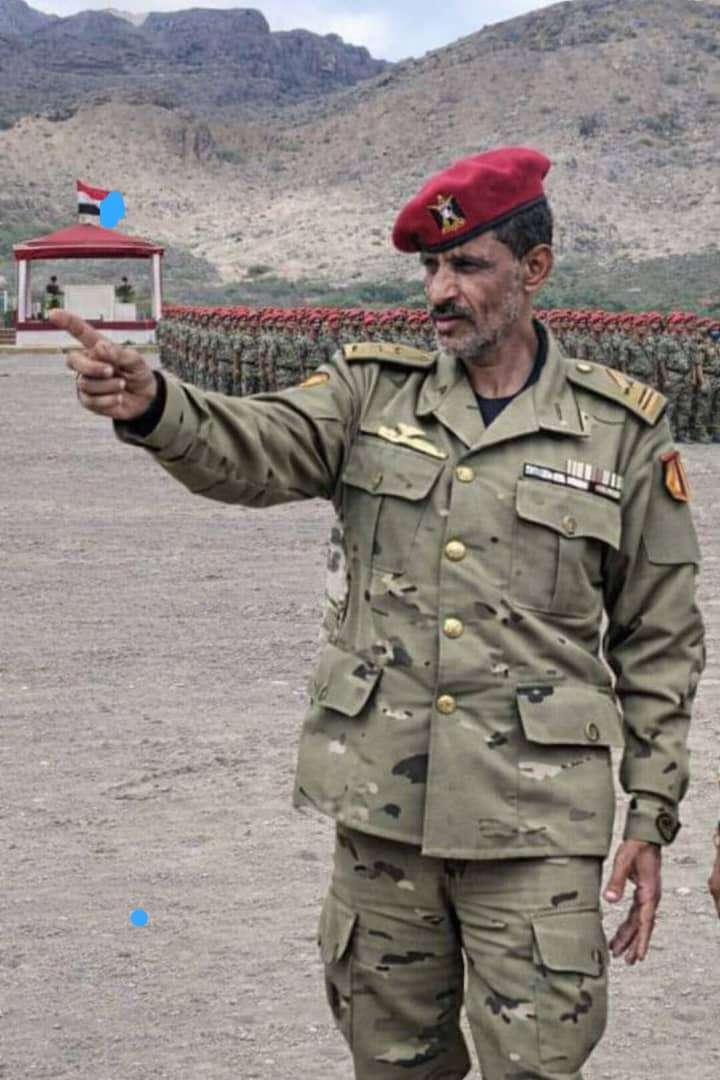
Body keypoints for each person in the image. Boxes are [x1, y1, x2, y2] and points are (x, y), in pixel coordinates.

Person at [49, 146, 706, 1080]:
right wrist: (158, 405)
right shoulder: (369, 393)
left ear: (535, 268)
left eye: (466, 265)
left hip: (538, 824)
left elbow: (661, 640)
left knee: (538, 1063)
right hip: (384, 815)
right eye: (431, 268)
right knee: (392, 1063)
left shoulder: (622, 432)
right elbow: (256, 444)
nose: (440, 291)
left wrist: (652, 812)